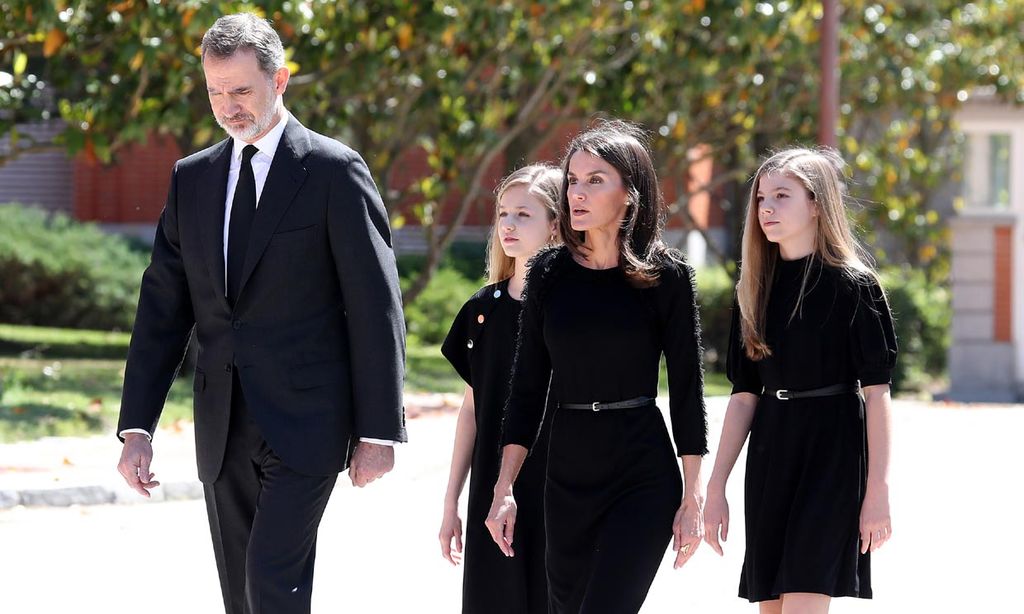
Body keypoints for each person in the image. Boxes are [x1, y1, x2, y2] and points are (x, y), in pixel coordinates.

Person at [114, 13, 406, 614]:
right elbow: (162, 310)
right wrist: (136, 427)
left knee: (272, 580)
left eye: (242, 90)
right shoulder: (191, 179)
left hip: (308, 421)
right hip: (221, 424)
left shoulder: (333, 170)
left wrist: (378, 430)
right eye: (215, 92)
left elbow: (375, 304)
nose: (228, 107)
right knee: (240, 593)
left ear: (281, 80)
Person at [485, 120, 708, 614]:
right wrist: (504, 488)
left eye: (595, 180)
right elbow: (526, 389)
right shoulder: (549, 272)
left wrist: (694, 496)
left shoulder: (667, 277)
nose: (576, 194)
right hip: (567, 475)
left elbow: (689, 393)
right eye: (572, 180)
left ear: (631, 194)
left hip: (642, 474)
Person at [702, 147, 897, 614]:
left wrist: (877, 492)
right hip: (772, 451)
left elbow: (877, 394)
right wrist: (715, 489)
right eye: (761, 198)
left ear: (816, 203)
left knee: (805, 600)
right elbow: (744, 397)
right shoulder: (753, 290)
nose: (766, 207)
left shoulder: (856, 287)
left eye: (782, 196)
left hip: (833, 452)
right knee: (772, 605)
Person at [439, 164, 562, 614]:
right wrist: (452, 502)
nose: (508, 224)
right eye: (503, 213)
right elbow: (471, 410)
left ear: (556, 224)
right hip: (493, 495)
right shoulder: (481, 310)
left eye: (524, 215)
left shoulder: (574, 314)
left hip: (558, 489)